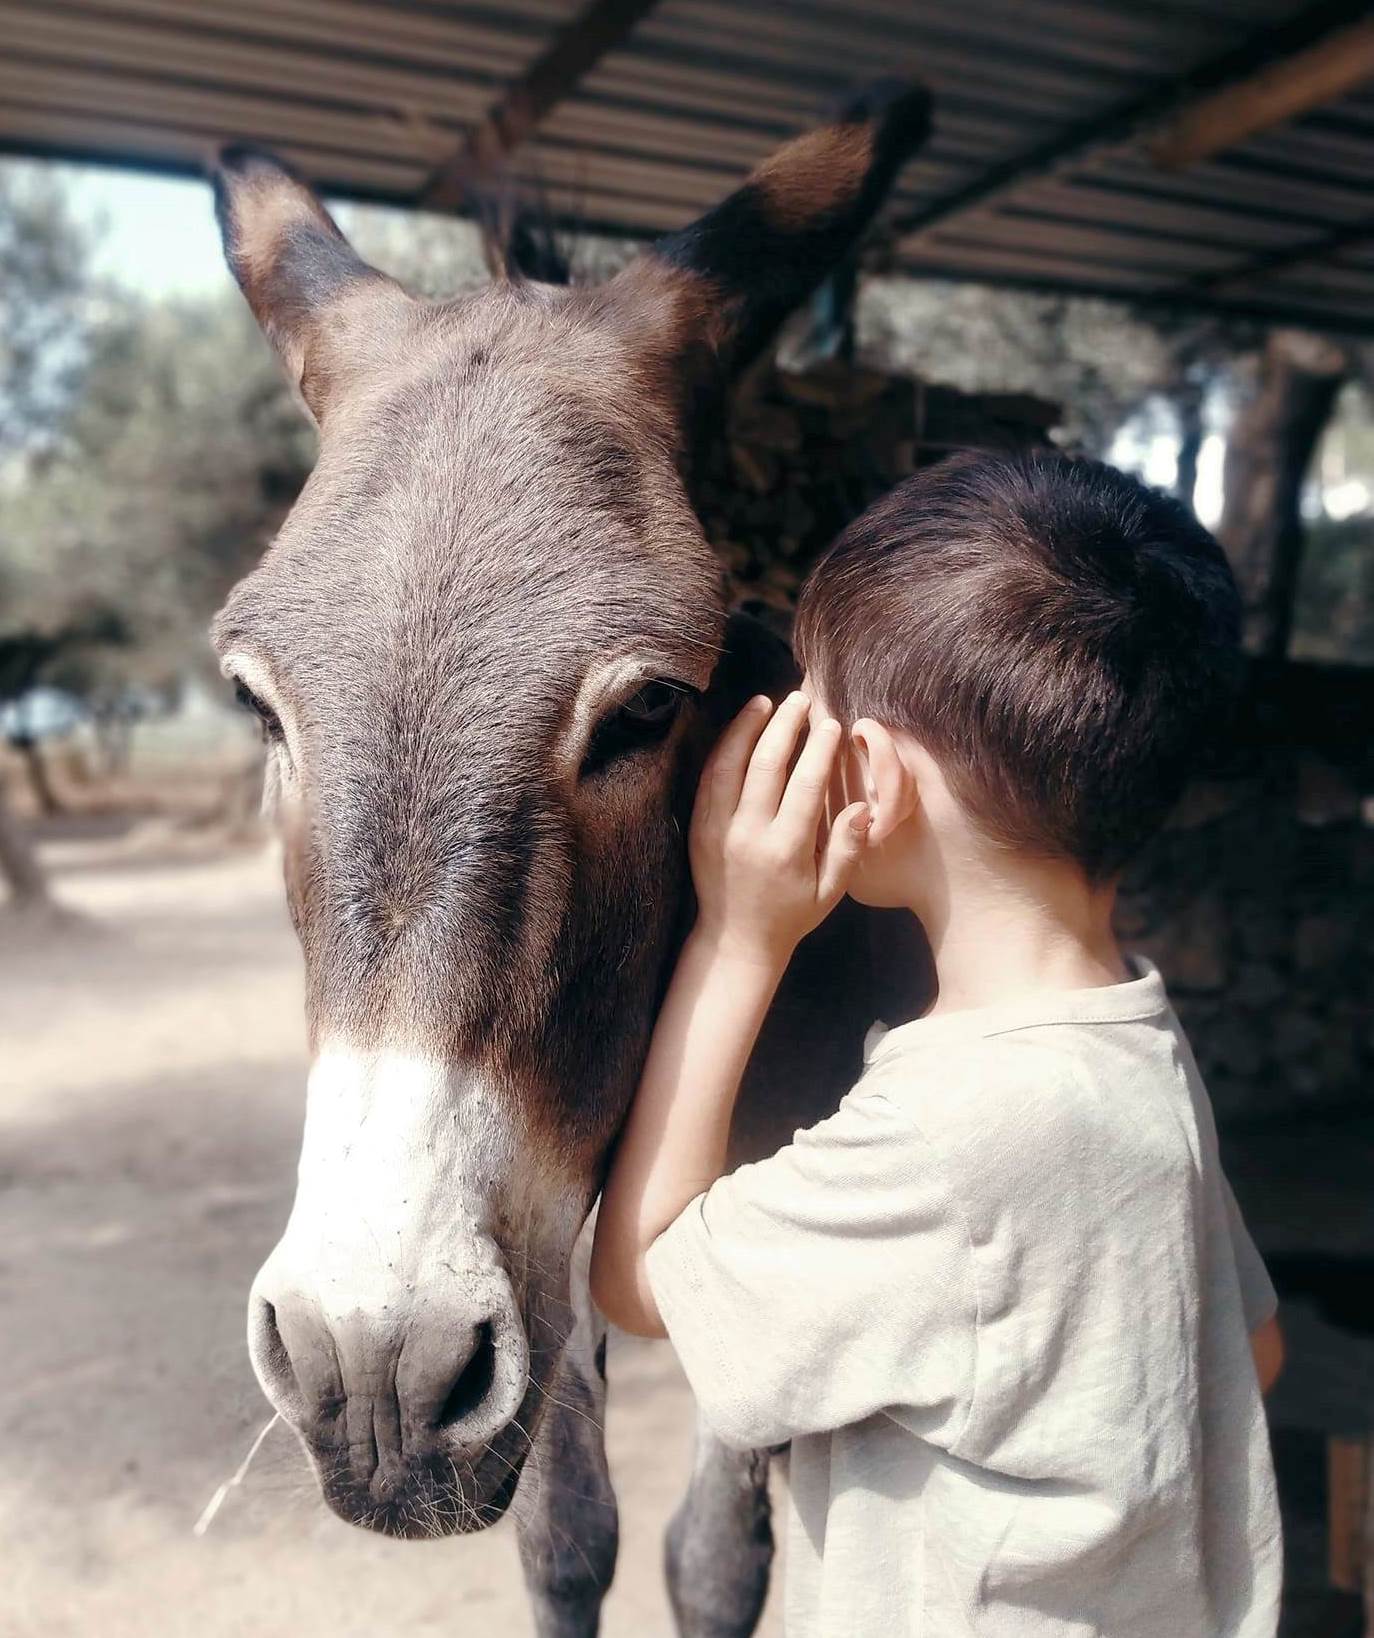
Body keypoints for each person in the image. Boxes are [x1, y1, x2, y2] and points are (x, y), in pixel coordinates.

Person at [590, 451, 1284, 1637]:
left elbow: (642, 1285)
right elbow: (1250, 1352)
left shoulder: (948, 1129)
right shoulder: (1135, 1045)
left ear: (867, 776)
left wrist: (735, 939)